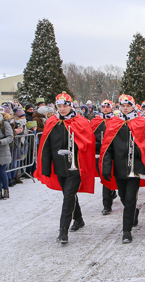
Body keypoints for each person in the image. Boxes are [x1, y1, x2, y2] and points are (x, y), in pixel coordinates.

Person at [35, 92, 95, 244]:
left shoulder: (80, 121)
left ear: (70, 106)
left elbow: (88, 142)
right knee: (68, 194)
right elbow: (46, 146)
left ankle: (63, 231)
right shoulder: (52, 122)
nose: (62, 109)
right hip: (60, 166)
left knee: (68, 195)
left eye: (65, 106)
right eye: (59, 106)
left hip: (75, 166)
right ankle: (79, 219)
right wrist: (46, 167)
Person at [100, 94, 145, 244]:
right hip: (119, 168)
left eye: (128, 106)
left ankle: (126, 231)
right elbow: (108, 148)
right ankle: (133, 213)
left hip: (135, 167)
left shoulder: (142, 122)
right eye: (123, 106)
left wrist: (137, 150)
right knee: (123, 197)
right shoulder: (114, 123)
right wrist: (106, 167)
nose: (125, 108)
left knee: (130, 199)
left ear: (132, 106)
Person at [90, 100, 118, 215]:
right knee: (104, 177)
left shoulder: (116, 121)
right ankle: (108, 199)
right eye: (103, 107)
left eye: (107, 107)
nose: (105, 109)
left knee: (109, 177)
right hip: (99, 153)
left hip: (112, 154)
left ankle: (107, 204)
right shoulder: (95, 121)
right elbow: (90, 136)